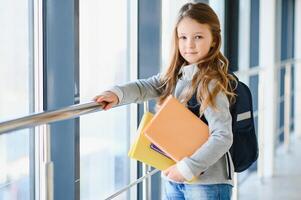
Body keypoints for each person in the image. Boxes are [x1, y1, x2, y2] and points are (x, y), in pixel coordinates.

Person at [94, 2, 236, 200]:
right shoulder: (178, 75)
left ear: (213, 40)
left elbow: (223, 136)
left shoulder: (211, 82)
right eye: (183, 37)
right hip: (176, 175)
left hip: (207, 182)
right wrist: (117, 94)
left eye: (198, 37)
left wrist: (187, 169)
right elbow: (147, 86)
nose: (189, 45)